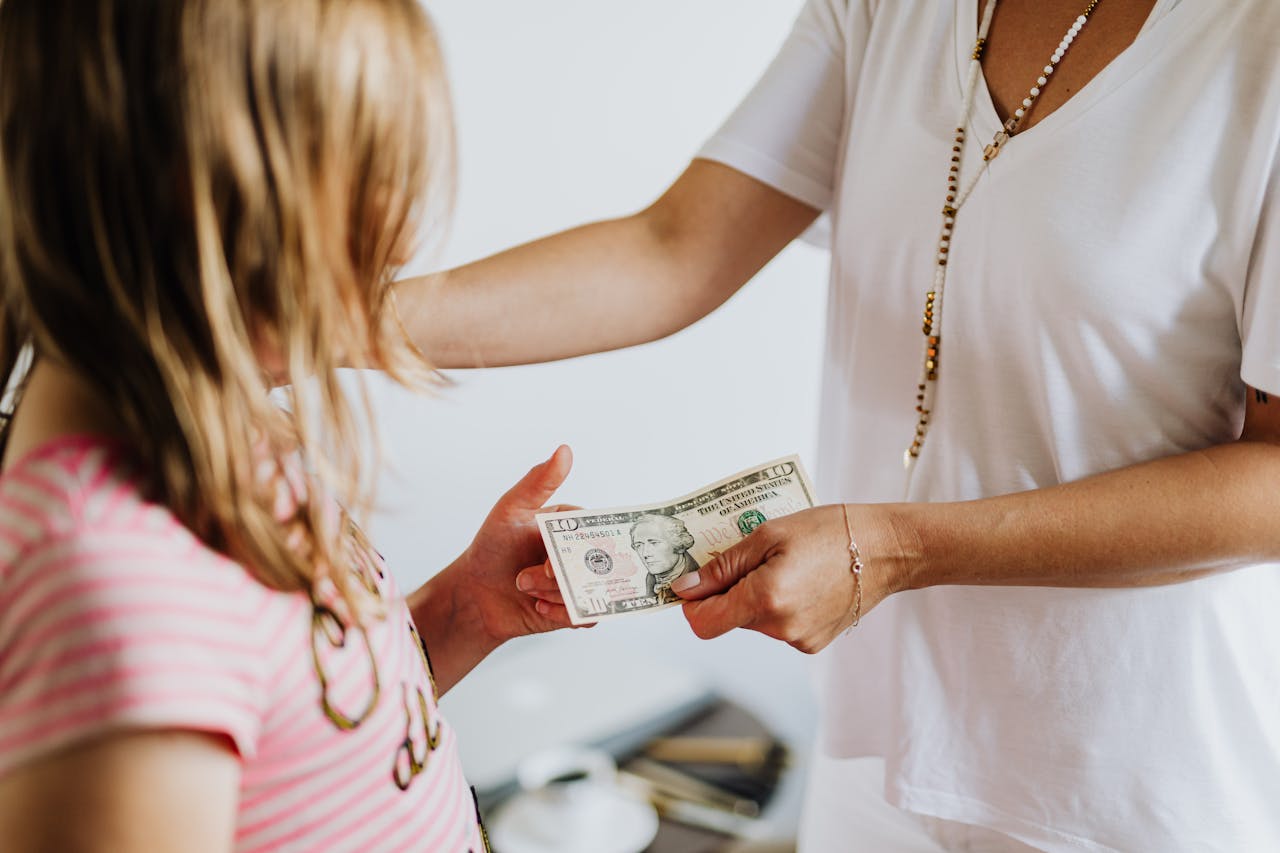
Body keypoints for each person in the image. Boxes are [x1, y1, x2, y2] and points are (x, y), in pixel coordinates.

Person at [391, 0, 1280, 850]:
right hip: (883, 738)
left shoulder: (1254, 47)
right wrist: (323, 321)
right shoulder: (884, 10)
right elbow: (675, 250)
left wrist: (897, 546)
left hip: (1127, 776)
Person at [0, 1, 578, 851]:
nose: (404, 238)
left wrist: (464, 611)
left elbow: (304, 720)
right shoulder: (117, 580)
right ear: (197, 205)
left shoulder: (215, 421)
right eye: (365, 190)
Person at [629, 514, 700, 599]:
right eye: (639, 545)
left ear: (678, 544)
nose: (645, 553)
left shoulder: (697, 576)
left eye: (654, 543)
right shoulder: (650, 581)